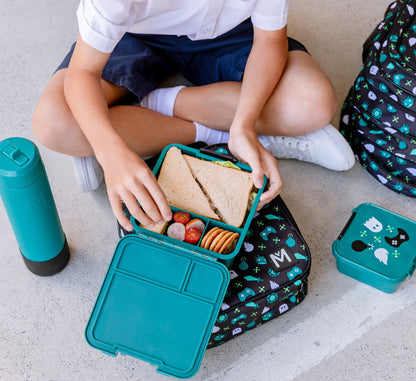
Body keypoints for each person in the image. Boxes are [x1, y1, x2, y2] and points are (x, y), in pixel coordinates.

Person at [32, 0, 355, 232]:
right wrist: (110, 152)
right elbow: (84, 72)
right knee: (56, 124)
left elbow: (269, 39)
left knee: (311, 103)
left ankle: (143, 114)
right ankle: (226, 131)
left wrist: (244, 123)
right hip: (133, 35)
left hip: (227, 35)